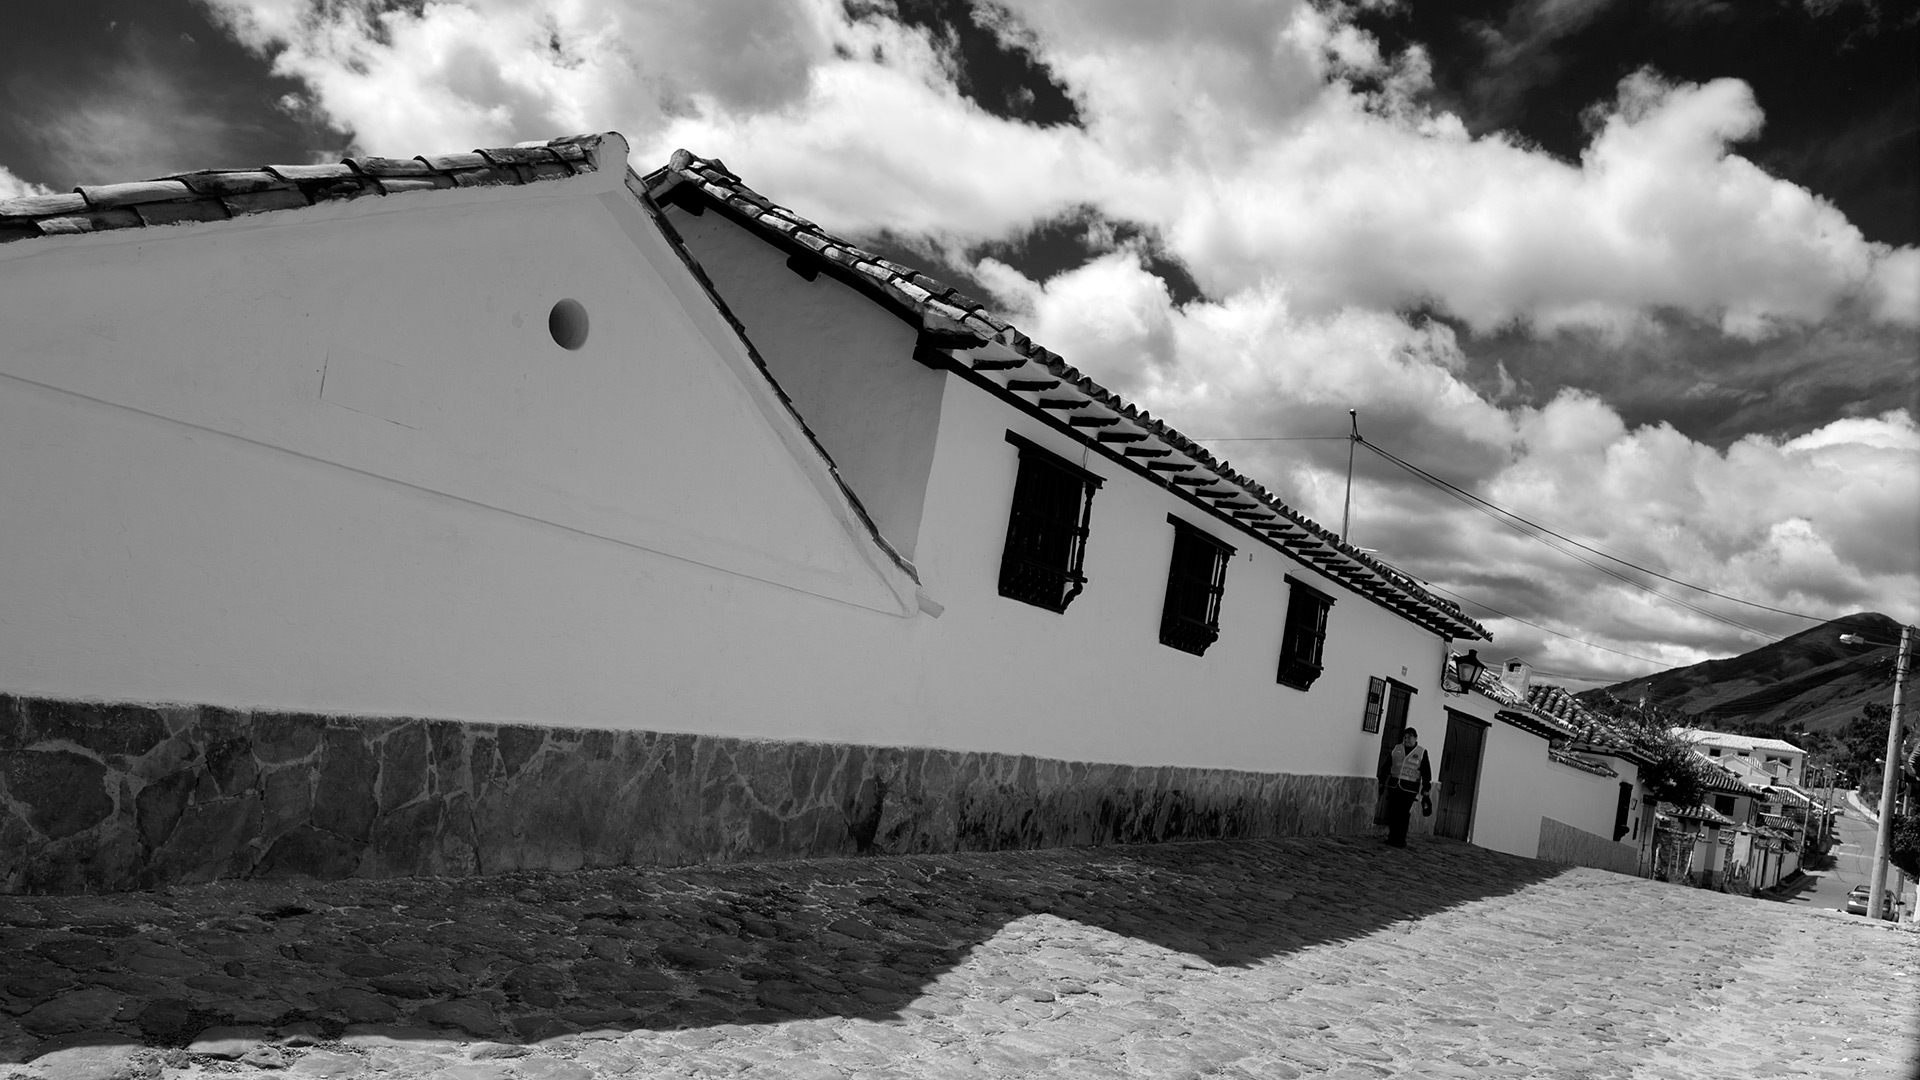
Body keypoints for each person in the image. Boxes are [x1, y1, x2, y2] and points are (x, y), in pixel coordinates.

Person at [1379, 727, 1431, 848]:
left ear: (1416, 738)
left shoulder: (1421, 752)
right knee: (1393, 812)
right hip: (1394, 785)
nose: (1407, 740)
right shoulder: (1397, 749)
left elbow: (1426, 772)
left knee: (1403, 814)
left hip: (1409, 788)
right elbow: (1387, 765)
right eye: (1405, 737)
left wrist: (1426, 788)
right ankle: (1392, 837)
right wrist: (1382, 780)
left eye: (1410, 737)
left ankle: (1401, 839)